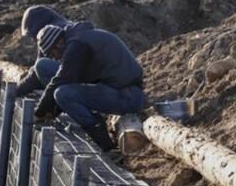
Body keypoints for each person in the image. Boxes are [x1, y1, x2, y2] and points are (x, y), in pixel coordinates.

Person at [16, 22, 145, 152]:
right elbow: (61, 76)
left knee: (62, 94)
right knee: (43, 65)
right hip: (118, 88)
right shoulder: (78, 39)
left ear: (59, 44)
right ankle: (59, 112)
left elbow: (62, 79)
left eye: (53, 54)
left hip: (127, 96)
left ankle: (104, 143)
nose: (55, 58)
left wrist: (39, 113)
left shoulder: (77, 47)